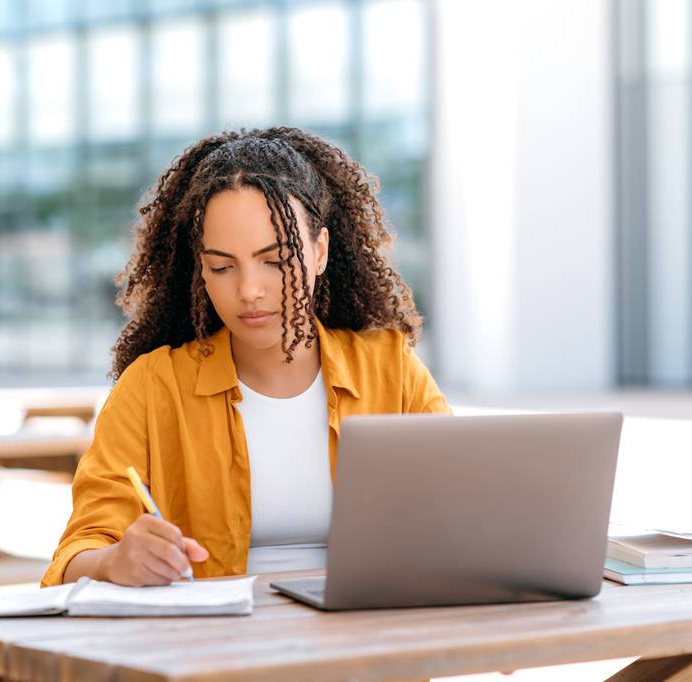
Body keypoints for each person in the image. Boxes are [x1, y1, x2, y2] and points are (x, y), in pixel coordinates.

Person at [41, 127, 450, 588]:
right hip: (216, 631)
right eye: (221, 266)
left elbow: (460, 510)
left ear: (319, 252)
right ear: (200, 268)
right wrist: (111, 562)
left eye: (275, 261)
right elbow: (74, 556)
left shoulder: (391, 369)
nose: (249, 290)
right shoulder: (152, 387)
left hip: (362, 626)